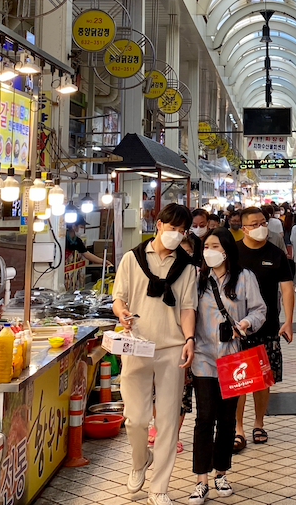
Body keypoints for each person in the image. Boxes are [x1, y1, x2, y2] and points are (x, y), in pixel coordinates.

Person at [112, 203, 198, 505]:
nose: (176, 234)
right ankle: (140, 461)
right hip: (136, 345)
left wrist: (189, 338)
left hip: (172, 348)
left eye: (181, 230)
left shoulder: (187, 266)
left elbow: (188, 307)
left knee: (168, 423)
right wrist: (121, 311)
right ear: (158, 224)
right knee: (135, 419)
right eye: (172, 227)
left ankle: (159, 487)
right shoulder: (131, 259)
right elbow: (118, 297)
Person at [187, 229, 266, 504]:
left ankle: (221, 472)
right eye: (206, 246)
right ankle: (201, 478)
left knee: (227, 417)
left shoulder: (244, 278)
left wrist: (243, 325)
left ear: (226, 250)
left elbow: (259, 310)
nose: (209, 250)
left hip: (233, 359)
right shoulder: (197, 279)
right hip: (203, 357)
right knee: (204, 416)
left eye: (215, 245)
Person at [235, 206, 295, 450]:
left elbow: (287, 288)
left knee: (262, 379)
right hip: (237, 328)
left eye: (263, 222)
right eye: (254, 224)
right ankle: (237, 427)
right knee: (239, 380)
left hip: (268, 326)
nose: (261, 228)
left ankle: (259, 423)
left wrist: (288, 321)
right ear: (243, 228)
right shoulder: (234, 253)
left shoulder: (276, 253)